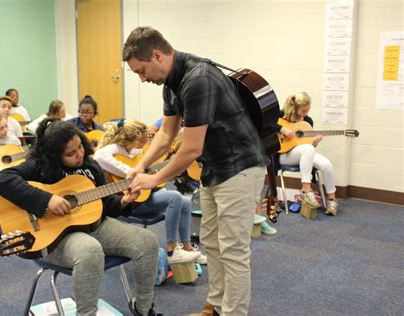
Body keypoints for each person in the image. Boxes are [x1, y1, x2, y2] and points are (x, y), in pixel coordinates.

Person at [123, 26, 270, 315]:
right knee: (214, 245)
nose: (141, 79)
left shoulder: (197, 79)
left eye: (141, 71)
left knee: (234, 252)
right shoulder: (171, 83)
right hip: (215, 170)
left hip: (240, 168)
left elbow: (190, 149)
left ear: (157, 55)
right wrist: (139, 165)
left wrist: (154, 178)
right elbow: (166, 134)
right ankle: (214, 308)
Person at [0, 118, 161, 316]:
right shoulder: (39, 166)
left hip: (95, 226)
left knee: (147, 241)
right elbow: (2, 180)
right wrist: (47, 199)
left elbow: (105, 205)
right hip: (56, 238)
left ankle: (143, 308)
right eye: (70, 154)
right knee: (90, 251)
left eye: (80, 147)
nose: (79, 155)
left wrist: (123, 202)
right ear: (55, 155)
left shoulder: (91, 166)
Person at [93, 118, 206, 265]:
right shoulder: (114, 149)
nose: (143, 144)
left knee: (185, 202)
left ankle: (187, 247)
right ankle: (172, 250)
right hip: (129, 203)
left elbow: (149, 160)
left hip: (145, 197)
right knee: (175, 197)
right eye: (141, 141)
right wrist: (132, 172)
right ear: (129, 139)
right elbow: (98, 156)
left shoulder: (132, 150)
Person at [275, 92, 338, 215]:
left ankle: (332, 200)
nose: (306, 114)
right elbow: (267, 125)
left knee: (326, 164)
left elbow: (308, 144)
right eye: (303, 111)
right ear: (295, 108)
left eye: (307, 110)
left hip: (303, 153)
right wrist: (282, 129)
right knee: (308, 149)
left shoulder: (308, 121)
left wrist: (315, 141)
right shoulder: (281, 116)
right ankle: (306, 189)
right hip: (284, 155)